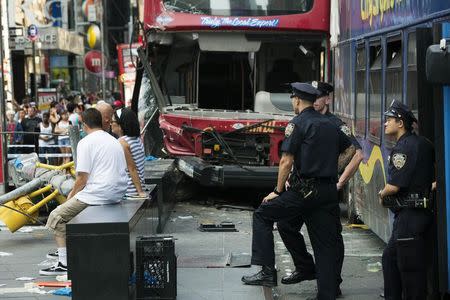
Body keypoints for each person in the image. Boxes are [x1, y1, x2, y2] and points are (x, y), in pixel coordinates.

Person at [241, 82, 352, 300]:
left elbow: (286, 161)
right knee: (325, 244)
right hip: (328, 191)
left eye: (292, 98)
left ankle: (267, 272)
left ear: (298, 100)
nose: (292, 101)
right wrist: (330, 171)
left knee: (263, 214)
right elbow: (348, 148)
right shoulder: (332, 124)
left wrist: (278, 190)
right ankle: (327, 293)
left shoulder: (298, 123)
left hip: (304, 191)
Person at [277, 82, 363, 296]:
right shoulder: (303, 120)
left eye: (319, 96)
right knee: (286, 225)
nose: (315, 100)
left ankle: (332, 284)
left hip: (323, 189)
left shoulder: (334, 123)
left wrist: (337, 177)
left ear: (327, 99)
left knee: (330, 240)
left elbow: (356, 151)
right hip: (301, 188)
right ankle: (305, 267)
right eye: (312, 96)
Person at [40, 108, 128, 276]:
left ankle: (64, 262)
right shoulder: (113, 140)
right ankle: (69, 252)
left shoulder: (85, 142)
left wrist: (71, 195)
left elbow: (81, 178)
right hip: (117, 191)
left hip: (100, 192)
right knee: (73, 215)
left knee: (57, 217)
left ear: (84, 124)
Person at [378, 100, 434, 300]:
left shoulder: (402, 149)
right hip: (423, 213)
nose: (385, 124)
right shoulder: (424, 143)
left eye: (389, 120)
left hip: (409, 216)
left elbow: (394, 186)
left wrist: (382, 193)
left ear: (400, 123)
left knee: (409, 269)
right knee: (390, 257)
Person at [111, 108, 146, 196]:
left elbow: (132, 169)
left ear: (121, 125)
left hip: (129, 191)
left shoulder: (122, 143)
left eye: (113, 121)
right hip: (138, 187)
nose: (111, 124)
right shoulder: (137, 139)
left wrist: (140, 192)